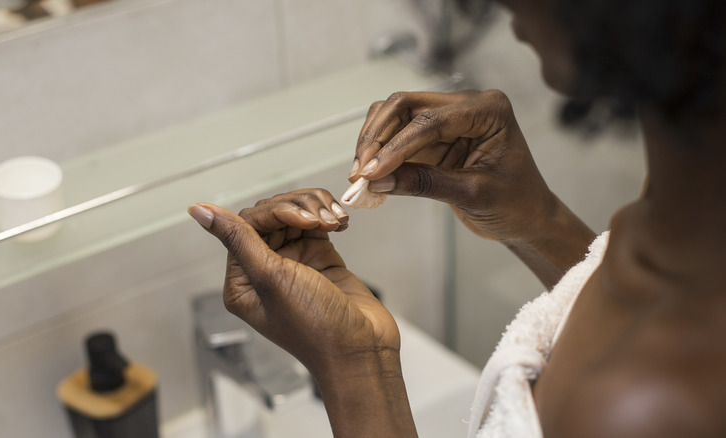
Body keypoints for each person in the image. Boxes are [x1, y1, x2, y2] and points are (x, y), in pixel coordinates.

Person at [188, 0, 726, 436]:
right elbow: (624, 313)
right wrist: (538, 221)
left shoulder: (644, 408)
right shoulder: (684, 212)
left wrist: (356, 366)